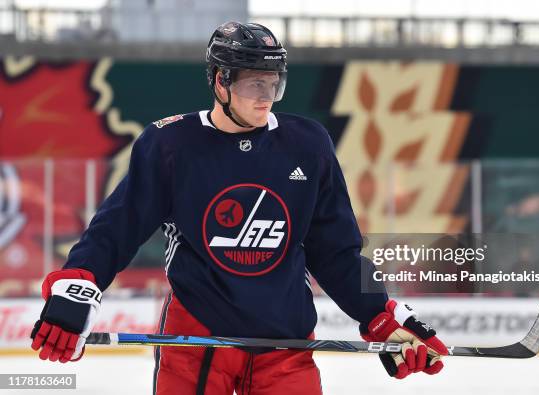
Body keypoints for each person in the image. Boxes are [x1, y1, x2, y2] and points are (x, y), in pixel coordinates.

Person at [30, 21, 447, 394]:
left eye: (273, 84)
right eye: (253, 85)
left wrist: (381, 313)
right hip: (197, 339)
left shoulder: (308, 144)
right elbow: (115, 230)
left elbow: (335, 253)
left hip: (285, 343)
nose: (266, 98)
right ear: (220, 82)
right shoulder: (172, 145)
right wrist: (78, 288)